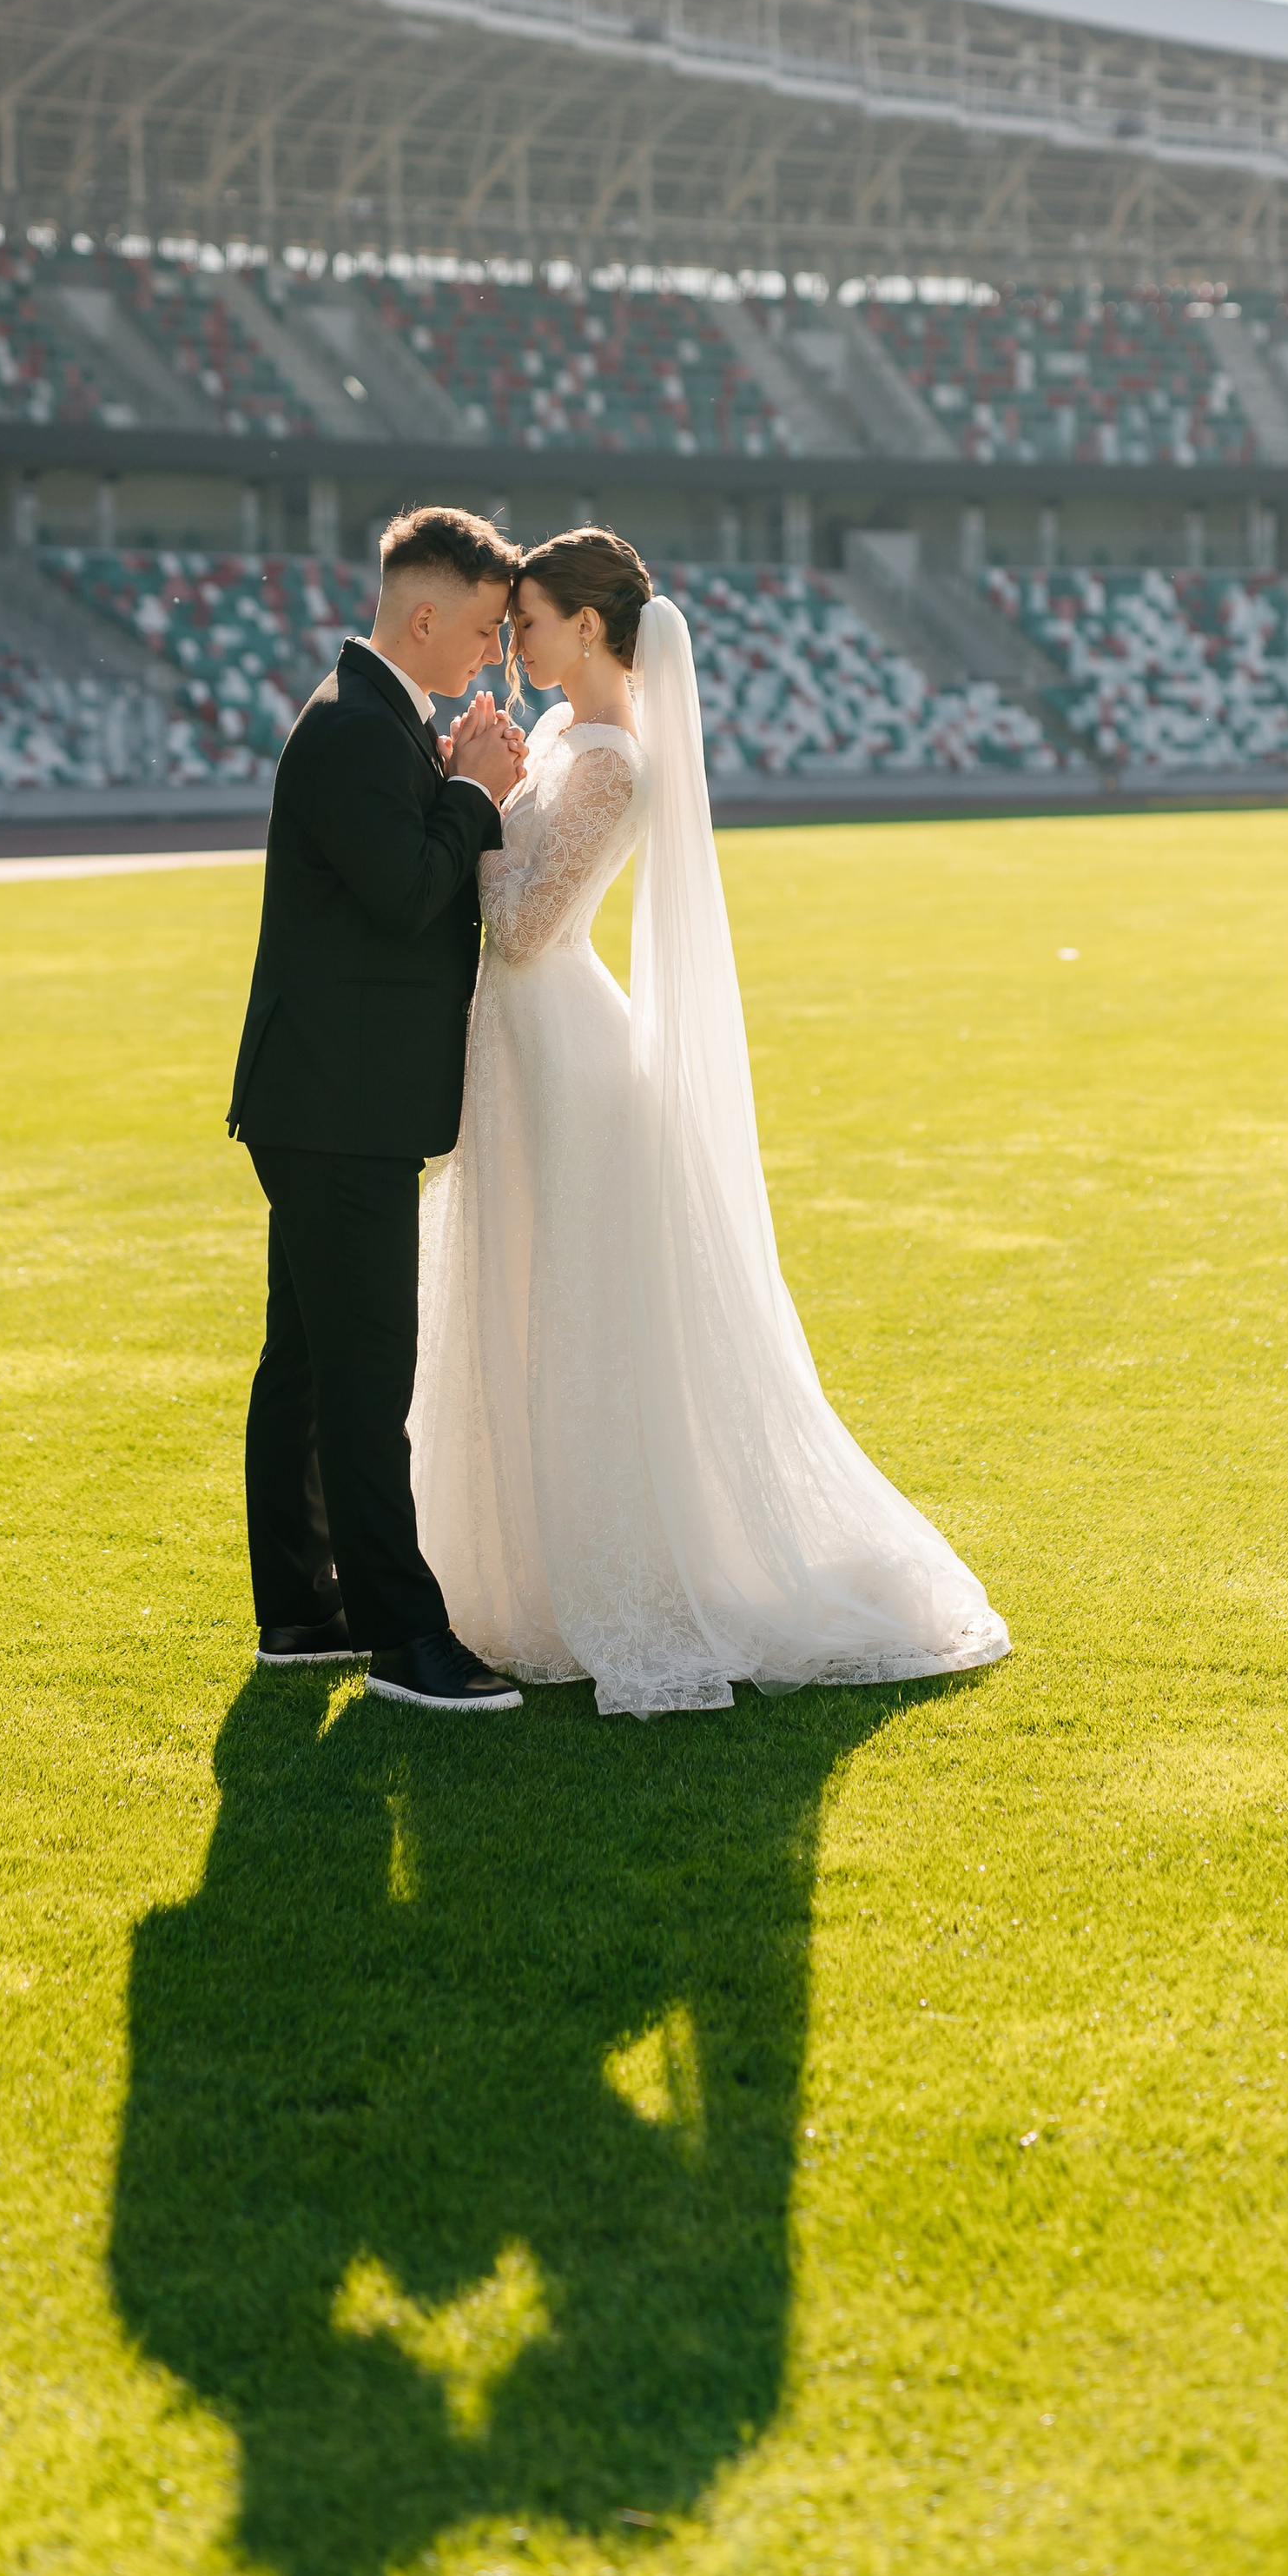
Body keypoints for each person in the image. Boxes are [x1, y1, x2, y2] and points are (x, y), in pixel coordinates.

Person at [410, 527, 1009, 1718]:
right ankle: (512, 1567)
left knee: (572, 1306)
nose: (512, 641)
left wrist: (470, 800)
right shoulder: (573, 741)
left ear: (587, 627)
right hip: (522, 1044)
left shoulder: (615, 760)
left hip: (559, 1044)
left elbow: (528, 928)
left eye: (527, 620)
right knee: (524, 1291)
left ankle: (606, 1571)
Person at [226, 504, 532, 1711]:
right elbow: (409, 892)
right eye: (481, 628)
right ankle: (408, 1642)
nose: (491, 652)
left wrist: (453, 777)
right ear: (422, 615)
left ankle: (304, 1614)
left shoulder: (371, 718)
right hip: (335, 1104)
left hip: (325, 1096)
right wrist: (478, 791)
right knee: (365, 1379)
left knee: (305, 1364)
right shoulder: (358, 729)